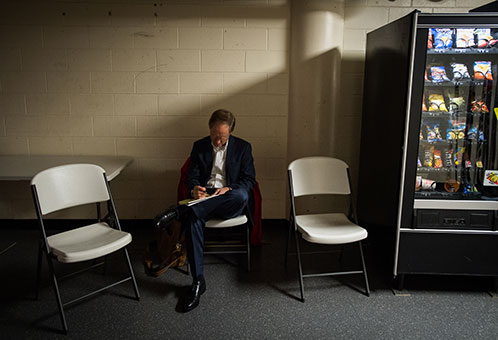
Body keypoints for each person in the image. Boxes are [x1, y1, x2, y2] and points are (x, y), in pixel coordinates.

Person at [155, 109, 256, 312]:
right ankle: (198, 281)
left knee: (242, 196)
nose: (217, 142)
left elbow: (248, 181)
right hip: (205, 198)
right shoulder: (199, 146)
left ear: (230, 133)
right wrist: (194, 188)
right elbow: (191, 177)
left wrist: (230, 188)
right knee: (194, 219)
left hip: (229, 197)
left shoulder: (243, 147)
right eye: (214, 136)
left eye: (222, 138)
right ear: (209, 129)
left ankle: (180, 212)